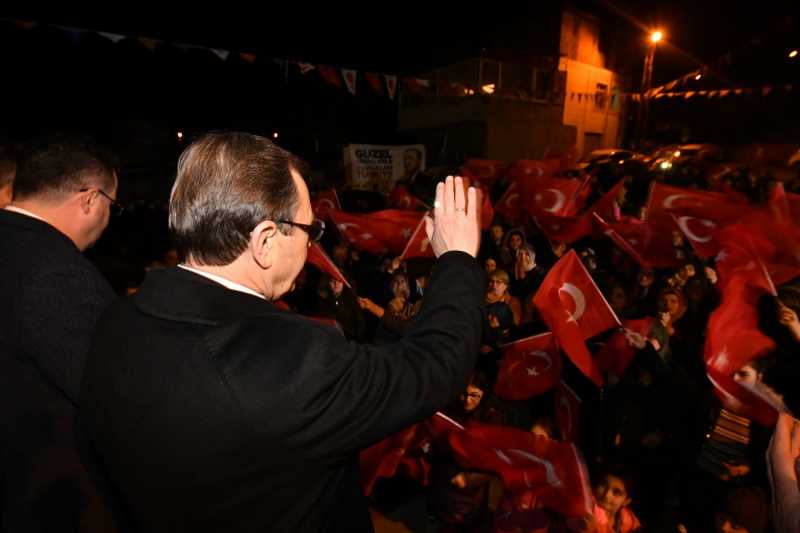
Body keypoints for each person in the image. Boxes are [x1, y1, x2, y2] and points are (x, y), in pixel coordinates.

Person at [79, 132, 485, 532]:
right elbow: (435, 367)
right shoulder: (290, 359)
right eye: (310, 232)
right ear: (265, 240)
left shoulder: (118, 321)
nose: (311, 249)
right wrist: (458, 258)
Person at [0, 136, 119, 531]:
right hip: (41, 494)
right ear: (90, 199)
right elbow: (109, 395)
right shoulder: (60, 273)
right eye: (110, 206)